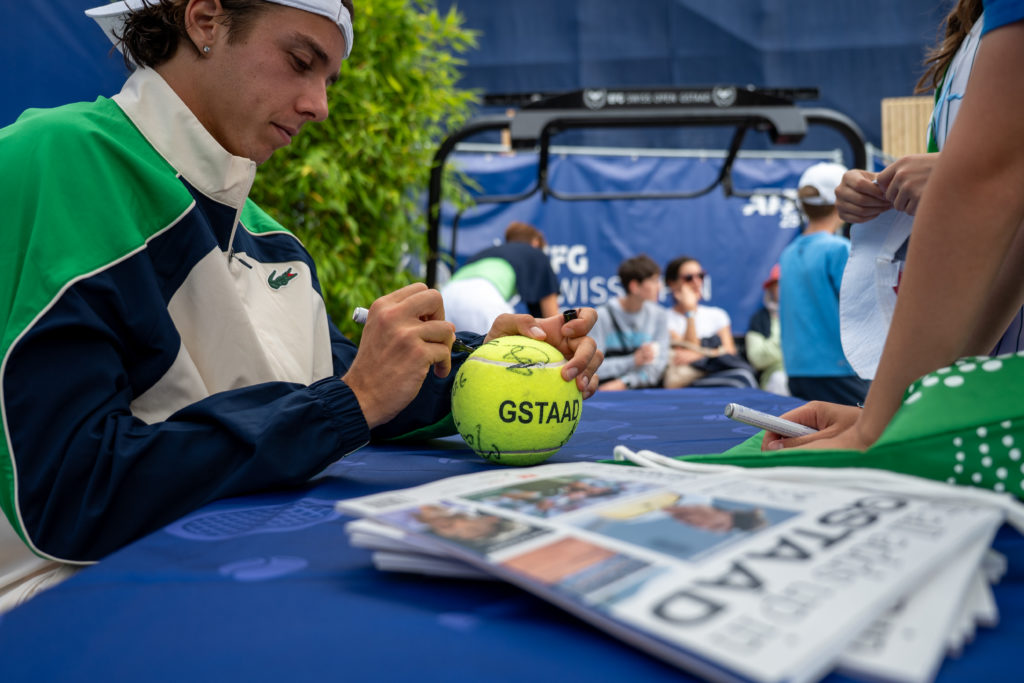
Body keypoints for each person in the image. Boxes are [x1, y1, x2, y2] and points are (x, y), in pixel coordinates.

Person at [0, 0, 601, 603]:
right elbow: (72, 493)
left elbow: (322, 382)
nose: (320, 105)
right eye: (300, 61)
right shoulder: (52, 158)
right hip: (63, 610)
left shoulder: (270, 241)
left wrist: (484, 363)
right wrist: (350, 404)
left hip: (220, 590)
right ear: (205, 20)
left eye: (328, 79)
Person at [765, 1, 1024, 455]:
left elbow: (988, 184)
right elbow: (987, 208)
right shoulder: (970, 36)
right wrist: (898, 414)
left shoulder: (796, 252)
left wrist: (880, 425)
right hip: (975, 378)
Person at [835, 0, 1023, 380]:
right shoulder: (969, 37)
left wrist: (957, 176)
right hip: (971, 342)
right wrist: (885, 193)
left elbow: (990, 177)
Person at [778, 162, 870, 405]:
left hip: (797, 370)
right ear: (842, 201)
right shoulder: (839, 250)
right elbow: (864, 310)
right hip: (839, 370)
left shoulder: (788, 253)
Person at [440, 221, 561, 334]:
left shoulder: (487, 252)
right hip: (482, 299)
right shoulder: (536, 253)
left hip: (445, 296)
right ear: (535, 242)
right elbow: (552, 318)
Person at [663, 256, 757, 389]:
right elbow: (688, 352)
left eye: (700, 276)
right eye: (688, 278)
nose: (697, 282)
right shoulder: (664, 318)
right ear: (672, 284)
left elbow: (729, 351)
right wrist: (690, 313)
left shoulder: (718, 314)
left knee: (744, 378)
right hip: (687, 382)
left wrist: (701, 355)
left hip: (718, 374)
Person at [591, 254, 669, 391]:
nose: (660, 287)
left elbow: (658, 367)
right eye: (654, 281)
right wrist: (633, 361)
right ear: (634, 286)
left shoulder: (659, 315)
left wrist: (624, 383)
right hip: (603, 394)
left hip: (644, 393)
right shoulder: (601, 316)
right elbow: (591, 367)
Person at [745, 264, 788, 395]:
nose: (785, 288)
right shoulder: (759, 319)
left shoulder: (808, 316)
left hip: (807, 377)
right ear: (771, 288)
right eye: (779, 284)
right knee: (780, 380)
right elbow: (757, 359)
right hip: (775, 379)